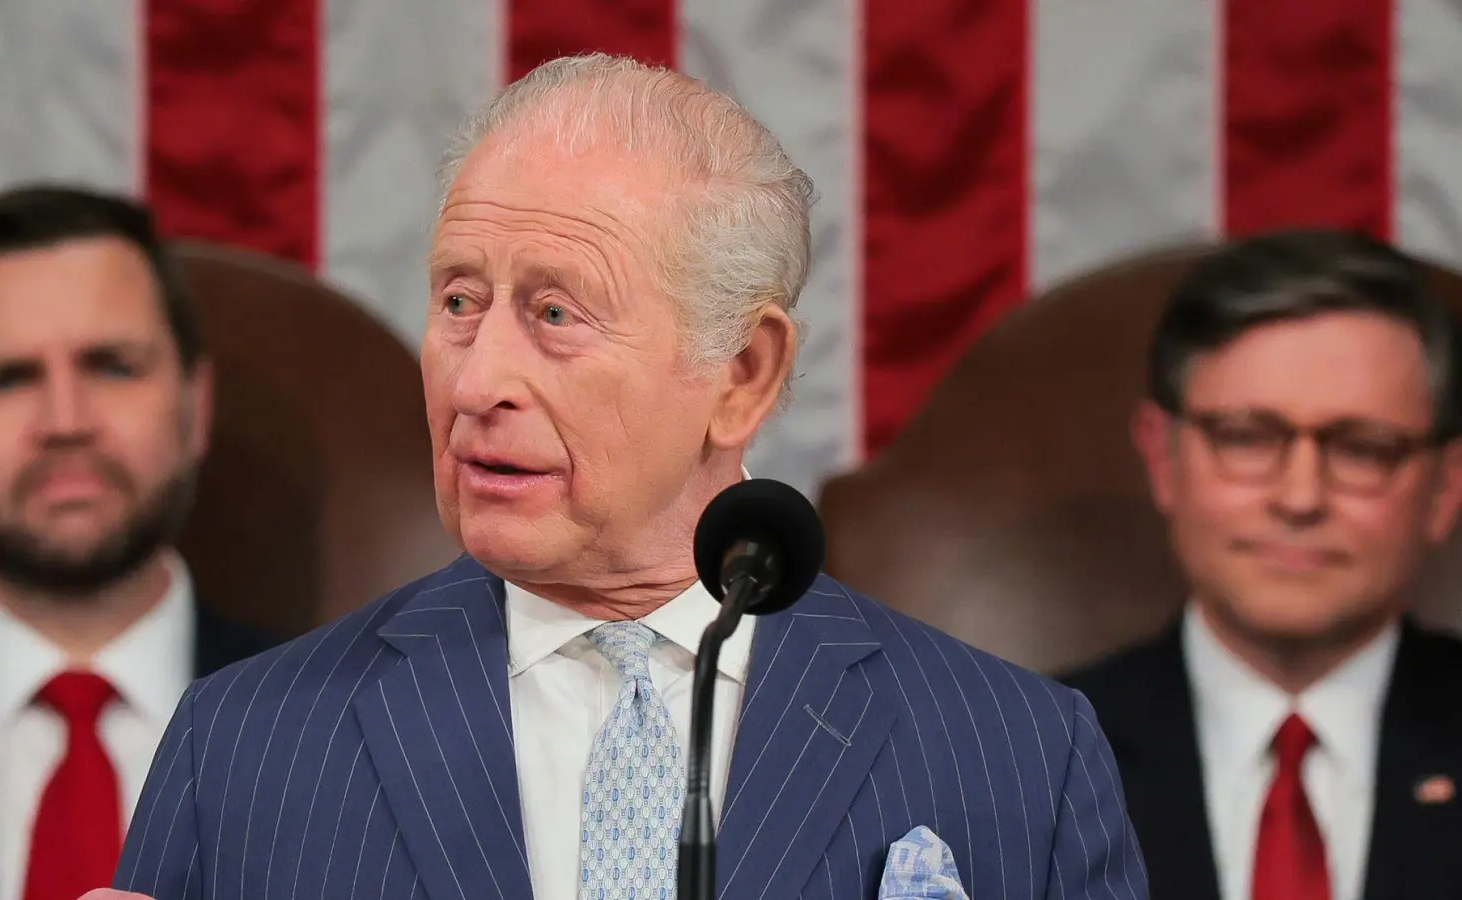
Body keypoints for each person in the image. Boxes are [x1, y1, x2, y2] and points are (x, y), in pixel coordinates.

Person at [108, 54, 1147, 900]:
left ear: (742, 375)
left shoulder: (1015, 757)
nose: (477, 381)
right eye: (460, 301)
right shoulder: (245, 749)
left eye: (555, 314)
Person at [0, 186, 278, 900]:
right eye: (6, 378)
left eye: (113, 365)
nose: (65, 420)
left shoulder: (358, 732)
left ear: (194, 402)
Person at [1062, 228, 1462, 900]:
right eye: (1246, 437)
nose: (1299, 498)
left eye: (1362, 448)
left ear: (1445, 488)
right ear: (1163, 458)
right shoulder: (1022, 752)